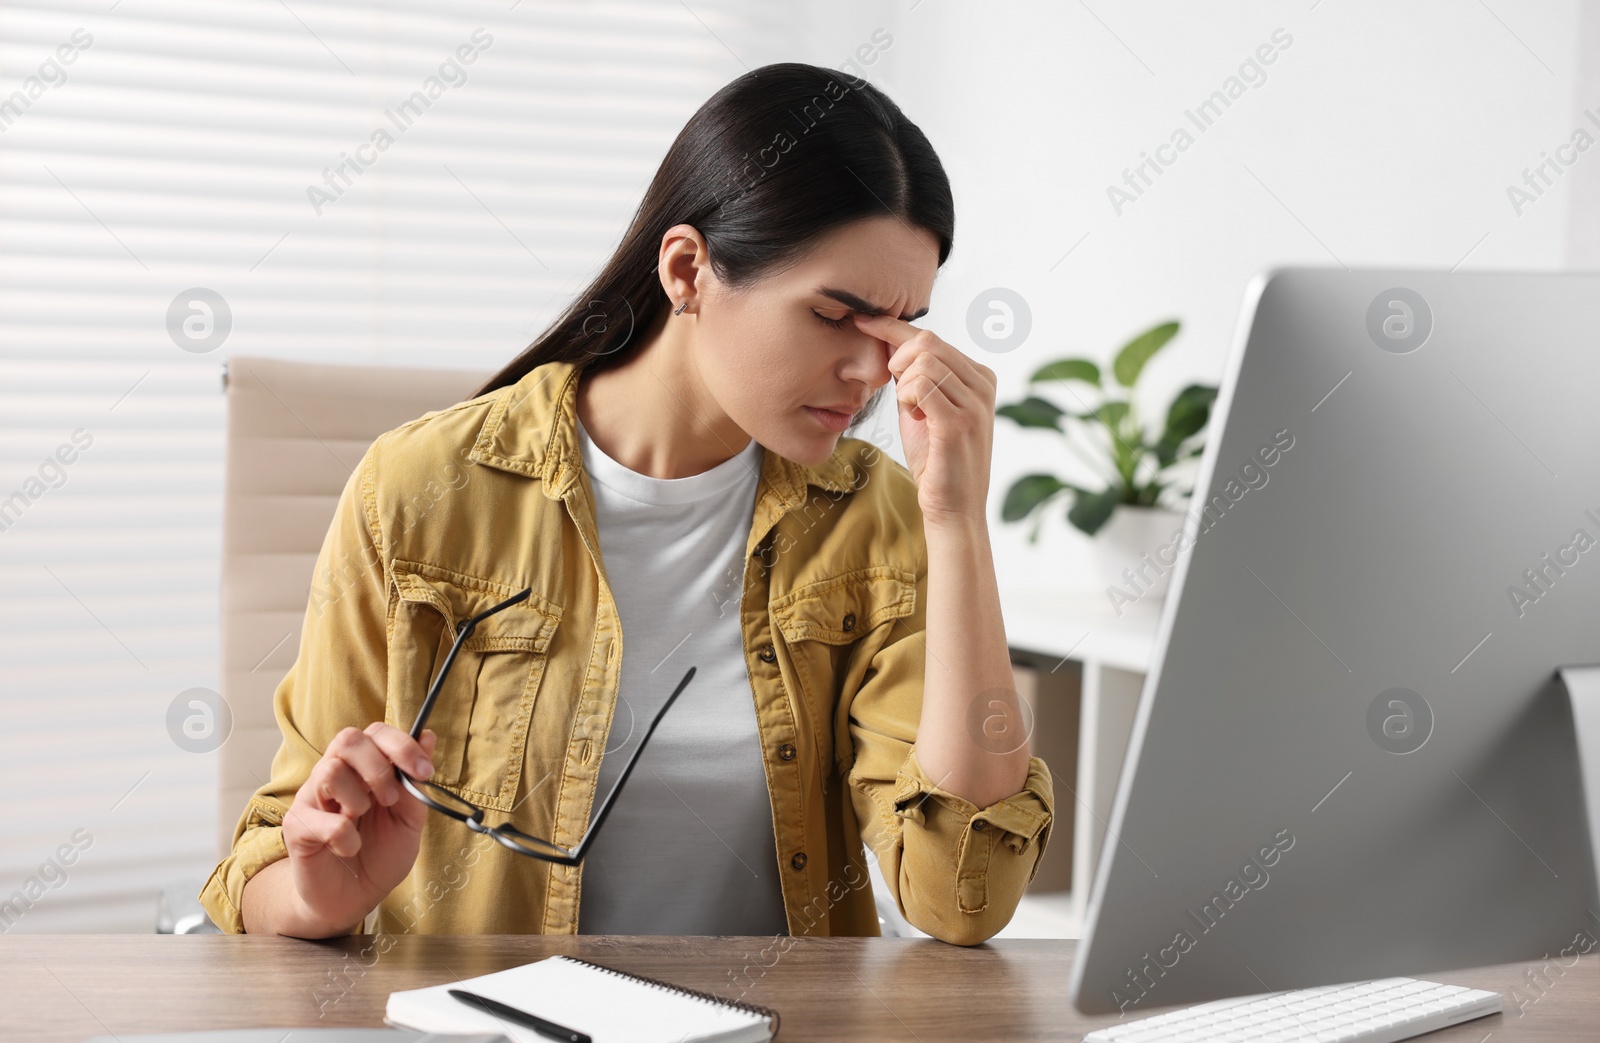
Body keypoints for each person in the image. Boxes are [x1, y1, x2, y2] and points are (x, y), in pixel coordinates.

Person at [199, 62, 1054, 947]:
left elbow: (965, 897)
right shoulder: (419, 491)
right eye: (838, 316)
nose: (874, 373)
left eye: (900, 328)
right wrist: (319, 895)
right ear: (688, 269)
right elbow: (264, 866)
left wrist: (955, 522)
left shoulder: (872, 519)